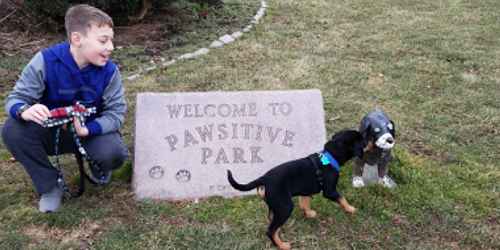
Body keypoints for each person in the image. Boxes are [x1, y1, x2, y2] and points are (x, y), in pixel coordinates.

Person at [1, 4, 128, 213]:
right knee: (12, 130)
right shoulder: (45, 61)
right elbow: (16, 98)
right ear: (77, 39)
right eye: (103, 41)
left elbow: (116, 114)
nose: (111, 47)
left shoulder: (110, 71)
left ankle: (99, 163)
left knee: (113, 154)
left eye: (111, 40)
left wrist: (89, 129)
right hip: (51, 133)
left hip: (89, 132)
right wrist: (24, 110)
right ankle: (50, 186)